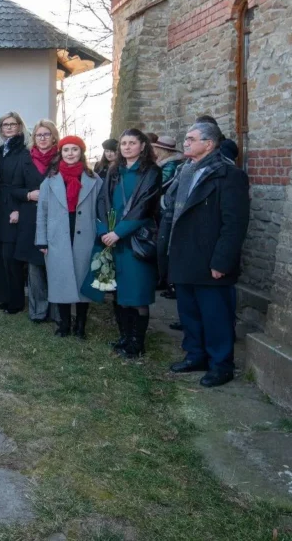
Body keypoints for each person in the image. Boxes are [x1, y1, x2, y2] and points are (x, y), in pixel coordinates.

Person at [160, 121, 249, 388]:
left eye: (191, 138)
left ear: (208, 144)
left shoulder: (228, 176)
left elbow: (235, 224)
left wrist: (222, 261)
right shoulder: (184, 170)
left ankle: (221, 365)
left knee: (216, 316)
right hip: (184, 256)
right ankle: (196, 355)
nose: (185, 142)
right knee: (189, 313)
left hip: (211, 261)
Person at [83, 129, 161, 358]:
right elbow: (102, 201)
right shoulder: (114, 170)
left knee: (137, 293)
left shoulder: (151, 172)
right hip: (111, 238)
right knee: (119, 292)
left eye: (132, 143)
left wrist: (119, 232)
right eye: (124, 143)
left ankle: (137, 343)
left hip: (135, 239)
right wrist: (103, 230)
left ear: (143, 146)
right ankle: (124, 337)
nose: (126, 147)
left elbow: (144, 206)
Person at [36, 136, 102, 338]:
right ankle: (63, 324)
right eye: (66, 150)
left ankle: (80, 326)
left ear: (81, 152)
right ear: (61, 153)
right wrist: (42, 239)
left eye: (75, 149)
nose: (70, 153)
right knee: (60, 279)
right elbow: (42, 211)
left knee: (83, 279)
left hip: (85, 234)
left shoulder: (94, 179)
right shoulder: (50, 180)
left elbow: (101, 209)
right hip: (58, 236)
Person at [15, 119, 58, 323]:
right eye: (39, 135)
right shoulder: (24, 159)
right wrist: (28, 195)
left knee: (58, 264)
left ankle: (59, 311)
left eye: (46, 134)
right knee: (34, 267)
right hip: (31, 218)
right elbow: (13, 188)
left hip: (57, 219)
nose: (42, 138)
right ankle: (38, 311)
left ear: (53, 137)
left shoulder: (62, 158)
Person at [0, 111, 32, 315]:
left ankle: (16, 301)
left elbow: (25, 182)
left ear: (19, 126)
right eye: (5, 124)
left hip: (13, 207)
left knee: (11, 256)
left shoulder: (24, 151)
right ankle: (4, 297)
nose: (8, 127)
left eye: (12, 124)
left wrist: (17, 208)